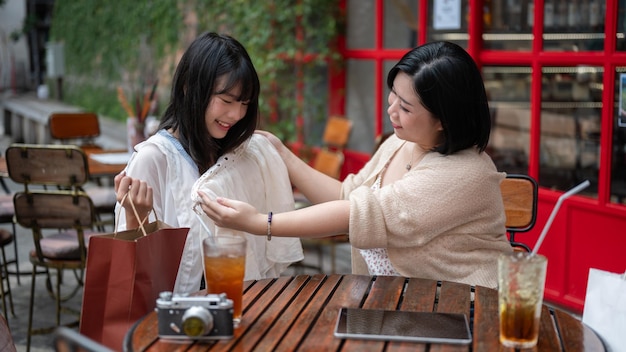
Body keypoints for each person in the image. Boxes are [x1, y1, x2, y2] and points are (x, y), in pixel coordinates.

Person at [197, 41, 513, 289]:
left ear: (443, 120)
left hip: (463, 309)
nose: (391, 110)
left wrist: (259, 222)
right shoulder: (401, 142)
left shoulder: (464, 173)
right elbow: (349, 196)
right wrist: (283, 154)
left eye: (405, 107)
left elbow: (356, 214)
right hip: (398, 304)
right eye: (393, 96)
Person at [114, 32, 302, 294]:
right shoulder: (153, 159)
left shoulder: (237, 155)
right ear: (189, 89)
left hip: (238, 305)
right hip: (177, 320)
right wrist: (136, 217)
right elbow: (125, 273)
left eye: (244, 103)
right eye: (226, 101)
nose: (236, 114)